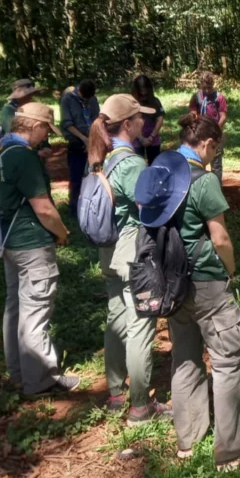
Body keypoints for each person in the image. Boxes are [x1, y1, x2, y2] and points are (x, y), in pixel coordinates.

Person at [139, 113, 240, 472]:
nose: (214, 155)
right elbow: (219, 236)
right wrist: (231, 268)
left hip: (171, 282)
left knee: (185, 359)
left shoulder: (158, 173)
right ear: (206, 144)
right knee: (226, 363)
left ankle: (187, 441)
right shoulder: (204, 181)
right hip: (206, 280)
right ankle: (231, 452)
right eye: (215, 149)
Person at [87, 94, 171, 424]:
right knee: (140, 326)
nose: (144, 124)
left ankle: (115, 393)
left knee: (116, 319)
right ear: (127, 124)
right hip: (132, 252)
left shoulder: (101, 157)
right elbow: (147, 210)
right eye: (140, 119)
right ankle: (140, 407)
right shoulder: (132, 163)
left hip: (108, 251)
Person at [0, 102, 79, 396]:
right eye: (45, 130)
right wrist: (61, 232)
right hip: (31, 244)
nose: (46, 137)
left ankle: (19, 372)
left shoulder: (1, 151)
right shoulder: (24, 157)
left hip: (9, 242)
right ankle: (41, 380)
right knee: (36, 312)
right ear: (33, 126)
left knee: (16, 307)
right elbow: (43, 208)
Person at [60, 79, 100, 218]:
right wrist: (84, 140)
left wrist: (93, 140)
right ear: (79, 91)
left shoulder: (93, 99)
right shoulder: (67, 100)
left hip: (93, 141)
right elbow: (67, 124)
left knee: (94, 175)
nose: (87, 100)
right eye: (85, 98)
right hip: (76, 141)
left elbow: (97, 120)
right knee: (76, 176)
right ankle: (74, 209)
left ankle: (92, 207)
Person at [188, 72, 228, 182]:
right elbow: (192, 113)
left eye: (209, 88)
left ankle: (217, 188)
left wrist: (216, 130)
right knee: (199, 161)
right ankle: (200, 186)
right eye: (204, 88)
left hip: (215, 133)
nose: (207, 90)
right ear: (200, 84)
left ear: (213, 84)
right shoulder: (196, 97)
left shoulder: (219, 97)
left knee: (216, 163)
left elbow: (223, 116)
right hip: (200, 133)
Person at [131, 75, 166, 165]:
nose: (143, 93)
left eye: (145, 90)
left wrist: (151, 137)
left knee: (154, 164)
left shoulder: (155, 101)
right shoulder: (132, 102)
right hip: (136, 138)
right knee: (138, 165)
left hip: (153, 138)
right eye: (141, 90)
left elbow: (160, 118)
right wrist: (141, 138)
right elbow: (130, 121)